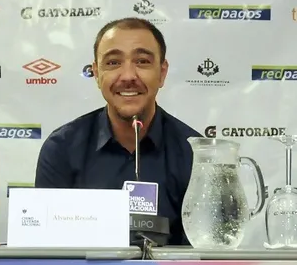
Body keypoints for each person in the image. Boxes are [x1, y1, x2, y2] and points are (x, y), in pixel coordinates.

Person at [34, 17, 200, 245]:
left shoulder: (195, 154)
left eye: (142, 61)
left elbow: (205, 260)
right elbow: (46, 251)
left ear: (162, 73)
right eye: (113, 63)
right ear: (96, 73)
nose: (128, 76)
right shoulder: (61, 149)